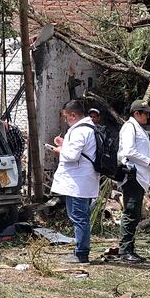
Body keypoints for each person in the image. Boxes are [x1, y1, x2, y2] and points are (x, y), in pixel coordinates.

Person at [50, 99, 98, 264]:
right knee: (80, 216)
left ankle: (81, 254)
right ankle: (79, 250)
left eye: (65, 117)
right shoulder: (88, 128)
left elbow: (72, 156)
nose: (65, 120)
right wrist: (65, 144)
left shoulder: (79, 131)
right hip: (83, 181)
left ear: (73, 115)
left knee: (79, 217)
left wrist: (59, 150)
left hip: (78, 183)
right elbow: (80, 150)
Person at [117, 100, 150, 262]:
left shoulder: (138, 128)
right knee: (130, 212)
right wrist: (148, 161)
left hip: (138, 175)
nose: (148, 116)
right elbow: (129, 151)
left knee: (134, 213)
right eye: (145, 113)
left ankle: (129, 249)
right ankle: (124, 250)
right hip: (132, 175)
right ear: (137, 113)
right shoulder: (130, 127)